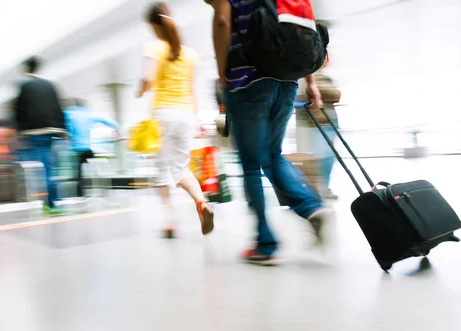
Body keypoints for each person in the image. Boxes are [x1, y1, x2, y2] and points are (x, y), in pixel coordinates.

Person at [209, 0, 329, 266]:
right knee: (273, 156)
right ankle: (312, 208)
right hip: (287, 81)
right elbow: (305, 32)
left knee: (252, 164)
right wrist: (311, 82)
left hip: (246, 81)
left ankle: (265, 243)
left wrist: (221, 75)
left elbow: (222, 21)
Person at [138, 2, 214, 238]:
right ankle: (201, 202)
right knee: (181, 168)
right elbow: (192, 90)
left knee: (163, 171)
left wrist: (140, 90)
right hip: (187, 115)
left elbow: (148, 79)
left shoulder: (154, 48)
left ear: (153, 25)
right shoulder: (189, 53)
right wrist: (198, 119)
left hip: (164, 115)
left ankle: (170, 222)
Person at [15, 56, 66, 214]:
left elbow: (19, 110)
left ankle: (49, 204)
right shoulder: (50, 85)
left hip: (34, 132)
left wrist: (19, 131)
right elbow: (58, 107)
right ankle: (53, 200)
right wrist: (62, 130)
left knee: (43, 168)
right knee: (50, 166)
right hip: (52, 131)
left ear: (26, 69)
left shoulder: (25, 86)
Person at [296, 67, 342, 199]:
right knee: (323, 158)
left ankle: (322, 189)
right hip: (319, 123)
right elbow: (334, 94)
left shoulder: (321, 75)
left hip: (327, 122)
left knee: (328, 158)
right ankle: (319, 190)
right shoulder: (312, 75)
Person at [64, 98, 121, 198]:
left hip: (74, 150)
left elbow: (60, 123)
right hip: (87, 149)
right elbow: (106, 120)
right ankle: (102, 187)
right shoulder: (88, 114)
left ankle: (79, 193)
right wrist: (116, 128)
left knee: (78, 173)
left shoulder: (68, 113)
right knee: (92, 165)